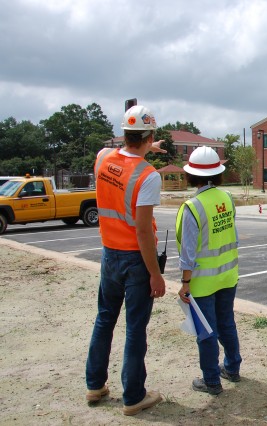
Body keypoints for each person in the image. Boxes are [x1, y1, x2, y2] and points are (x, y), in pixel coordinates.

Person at [85, 105, 166, 416]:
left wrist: (145, 146)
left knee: (105, 318)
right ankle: (133, 396)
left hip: (109, 254)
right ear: (150, 136)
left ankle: (95, 385)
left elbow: (118, 152)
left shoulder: (104, 158)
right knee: (135, 328)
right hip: (135, 259)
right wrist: (155, 274)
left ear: (124, 135)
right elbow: (143, 231)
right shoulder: (148, 177)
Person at [176, 146, 242, 395]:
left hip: (203, 282)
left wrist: (185, 283)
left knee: (206, 330)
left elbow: (188, 253)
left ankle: (212, 380)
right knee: (226, 323)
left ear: (191, 175)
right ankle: (233, 368)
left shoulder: (192, 207)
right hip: (228, 275)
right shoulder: (227, 198)